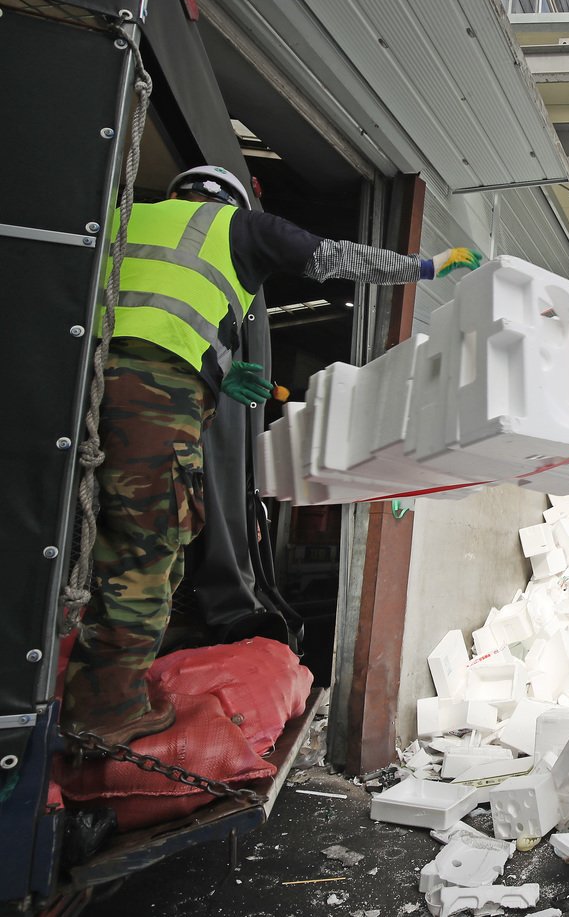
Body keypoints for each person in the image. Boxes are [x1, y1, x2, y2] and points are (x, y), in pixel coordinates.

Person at [61, 164, 482, 745]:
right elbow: (334, 257)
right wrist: (425, 266)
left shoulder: (119, 218)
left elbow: (139, 306)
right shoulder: (239, 227)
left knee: (62, 538)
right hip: (151, 395)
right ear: (234, 198)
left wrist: (222, 370)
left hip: (67, 384)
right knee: (144, 546)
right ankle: (105, 711)